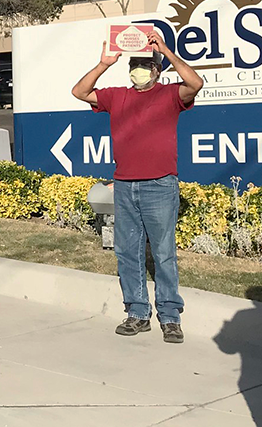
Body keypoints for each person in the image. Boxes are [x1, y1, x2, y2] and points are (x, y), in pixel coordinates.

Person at [71, 31, 203, 343]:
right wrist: (104, 64)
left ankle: (170, 316)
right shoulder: (117, 95)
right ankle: (137, 313)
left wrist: (166, 51)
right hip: (125, 185)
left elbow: (195, 84)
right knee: (127, 252)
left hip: (160, 184)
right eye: (134, 65)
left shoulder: (170, 95)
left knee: (163, 252)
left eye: (145, 65)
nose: (138, 70)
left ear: (157, 71)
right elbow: (79, 91)